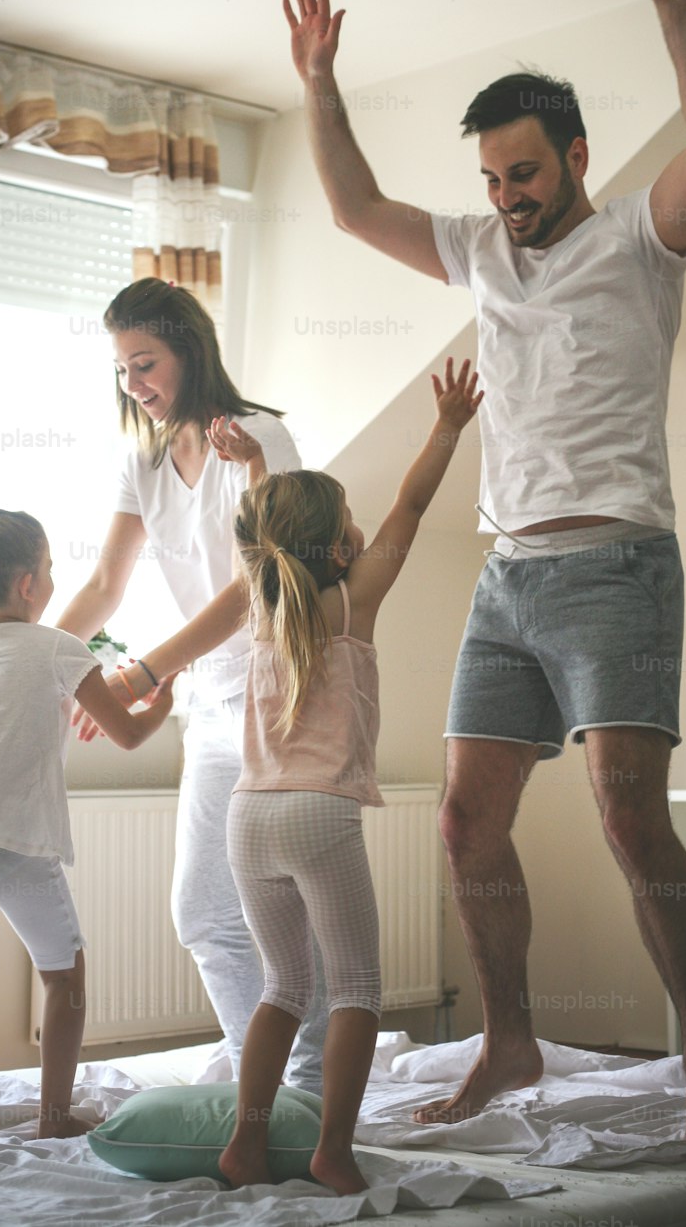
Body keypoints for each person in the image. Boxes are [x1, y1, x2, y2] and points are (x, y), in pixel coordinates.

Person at [280, 0, 686, 1146]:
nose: (506, 196)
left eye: (526, 172)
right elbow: (354, 210)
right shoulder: (484, 253)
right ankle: (509, 1037)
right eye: (491, 178)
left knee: (624, 811)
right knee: (461, 818)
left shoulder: (642, 241)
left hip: (616, 566)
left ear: (580, 157)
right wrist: (320, 85)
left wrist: (679, 9)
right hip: (507, 579)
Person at [212, 360, 482, 1195]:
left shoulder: (265, 599)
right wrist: (446, 427)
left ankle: (244, 1145)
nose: (367, 528)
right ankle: (333, 1147)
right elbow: (412, 507)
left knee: (283, 987)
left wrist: (256, 466)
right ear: (336, 545)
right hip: (319, 817)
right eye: (351, 522)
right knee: (357, 988)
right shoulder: (351, 600)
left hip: (248, 818)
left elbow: (266, 533)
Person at [58, 278, 329, 1094]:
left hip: (275, 694)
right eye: (121, 369)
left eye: (145, 362)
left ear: (189, 351)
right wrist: (34, 658)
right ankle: (267, 1075)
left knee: (270, 907)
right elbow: (107, 581)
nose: (133, 383)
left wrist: (144, 669)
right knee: (205, 912)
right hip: (209, 705)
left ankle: (307, 1079)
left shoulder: (258, 439)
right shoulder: (142, 460)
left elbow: (257, 585)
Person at [0, 501, 175, 1153]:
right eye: (51, 568)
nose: (55, 578)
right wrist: (162, 691)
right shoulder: (60, 647)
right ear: (29, 584)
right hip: (14, 842)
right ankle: (55, 1115)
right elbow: (129, 733)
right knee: (65, 977)